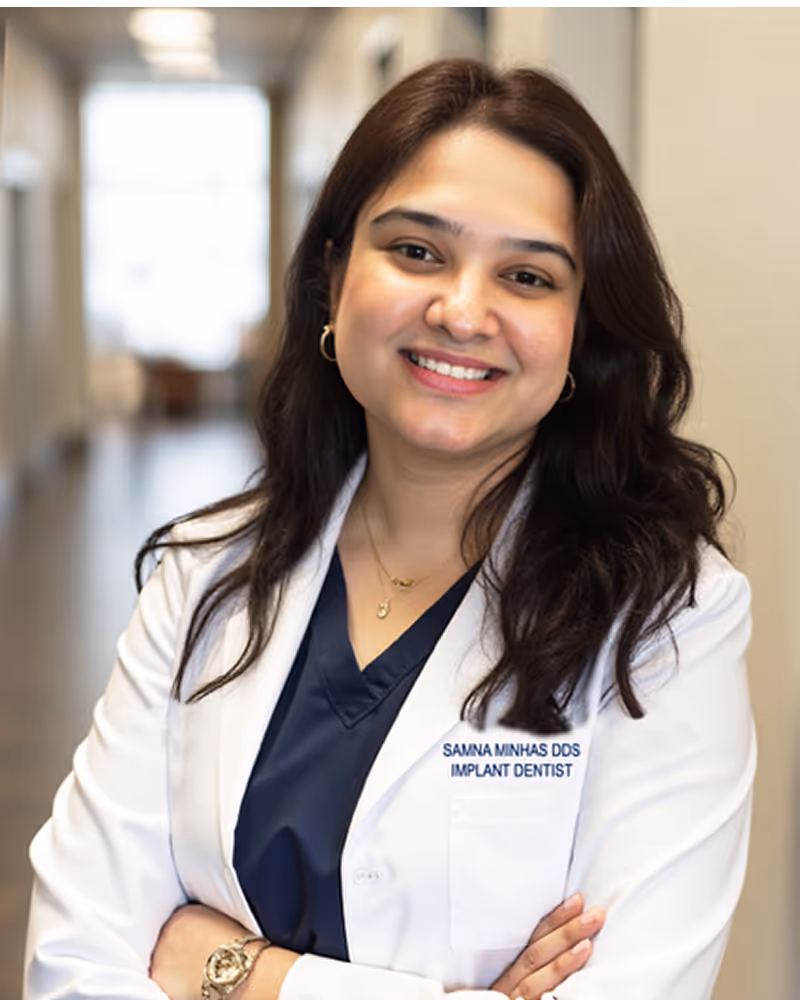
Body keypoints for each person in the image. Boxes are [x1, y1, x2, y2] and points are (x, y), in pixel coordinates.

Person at [24, 59, 755, 1000]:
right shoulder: (204, 570)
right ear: (334, 279)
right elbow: (70, 961)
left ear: (583, 331)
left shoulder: (667, 619)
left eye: (528, 276)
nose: (461, 310)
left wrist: (242, 974)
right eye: (417, 252)